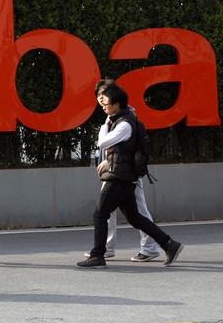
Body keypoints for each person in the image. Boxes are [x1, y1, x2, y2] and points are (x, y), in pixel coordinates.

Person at [77, 83, 184, 268]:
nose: (102, 103)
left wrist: (106, 123)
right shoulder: (122, 120)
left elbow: (103, 142)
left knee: (100, 214)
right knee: (135, 218)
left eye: (106, 100)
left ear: (117, 104)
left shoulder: (124, 124)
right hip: (124, 177)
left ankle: (98, 255)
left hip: (118, 177)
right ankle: (169, 244)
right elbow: (120, 151)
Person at [85, 79, 161, 261]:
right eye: (98, 95)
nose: (101, 98)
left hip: (125, 173)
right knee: (107, 212)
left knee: (138, 212)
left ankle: (150, 247)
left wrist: (109, 163)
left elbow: (123, 145)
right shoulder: (110, 115)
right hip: (113, 172)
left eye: (104, 94)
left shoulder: (125, 114)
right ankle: (106, 248)